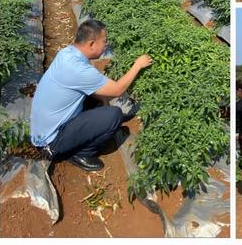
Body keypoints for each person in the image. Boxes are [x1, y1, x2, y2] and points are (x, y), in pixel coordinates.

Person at [30, 19, 153, 172]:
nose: (106, 45)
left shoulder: (68, 53)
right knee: (113, 115)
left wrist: (103, 102)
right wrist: (137, 65)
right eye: (104, 41)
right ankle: (81, 154)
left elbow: (96, 90)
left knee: (99, 100)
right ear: (92, 44)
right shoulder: (78, 70)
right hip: (51, 142)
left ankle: (87, 129)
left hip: (45, 129)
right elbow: (117, 90)